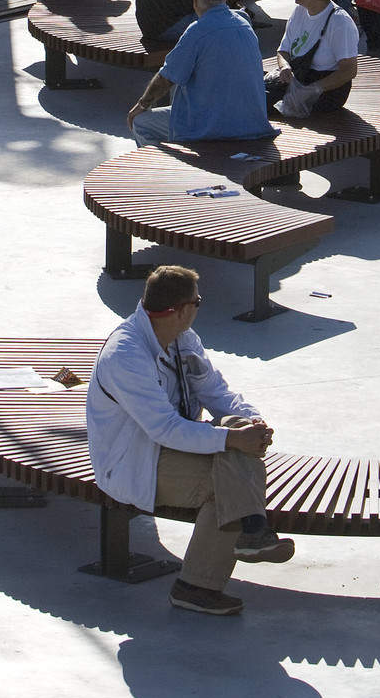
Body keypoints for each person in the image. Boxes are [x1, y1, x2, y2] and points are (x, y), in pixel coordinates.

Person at [86, 263, 289, 619]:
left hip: (172, 450)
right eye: (198, 301)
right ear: (182, 310)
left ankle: (252, 533)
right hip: (134, 462)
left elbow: (216, 392)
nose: (199, 307)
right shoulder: (126, 355)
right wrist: (232, 440)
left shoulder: (183, 339)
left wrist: (252, 422)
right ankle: (197, 586)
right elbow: (163, 429)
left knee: (236, 432)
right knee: (224, 484)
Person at [127, 0, 272, 146]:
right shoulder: (244, 24)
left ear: (194, 1)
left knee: (142, 124)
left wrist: (142, 105)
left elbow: (166, 78)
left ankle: (167, 171)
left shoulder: (197, 31)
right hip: (253, 123)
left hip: (214, 129)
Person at [268, 0, 361, 117]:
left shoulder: (339, 22)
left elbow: (349, 70)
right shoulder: (299, 11)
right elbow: (283, 50)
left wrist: (312, 90)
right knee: (252, 89)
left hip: (328, 90)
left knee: (258, 101)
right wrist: (284, 66)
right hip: (299, 77)